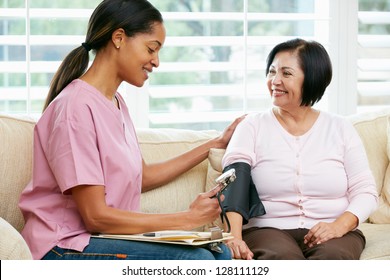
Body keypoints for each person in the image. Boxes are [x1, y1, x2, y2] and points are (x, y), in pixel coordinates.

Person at [19, 0, 243, 260]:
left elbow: (142, 176)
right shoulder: (74, 108)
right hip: (63, 246)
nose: (156, 61)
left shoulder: (116, 103)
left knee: (220, 253)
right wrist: (186, 219)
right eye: (151, 48)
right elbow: (95, 217)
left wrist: (214, 144)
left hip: (99, 239)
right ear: (119, 38)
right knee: (198, 260)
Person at [221, 38, 378, 260]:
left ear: (312, 78)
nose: (275, 81)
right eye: (272, 72)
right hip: (267, 230)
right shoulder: (252, 126)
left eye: (286, 73)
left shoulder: (340, 128)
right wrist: (233, 237)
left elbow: (366, 191)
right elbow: (234, 182)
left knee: (332, 260)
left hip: (333, 229)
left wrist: (338, 226)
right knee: (283, 259)